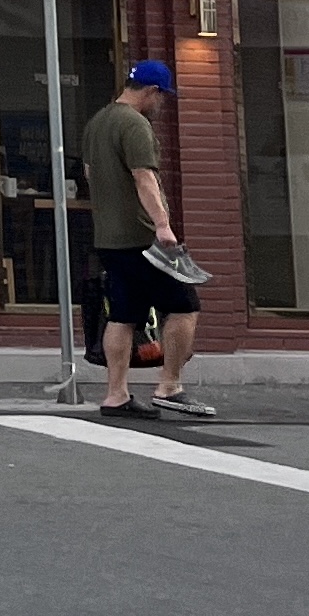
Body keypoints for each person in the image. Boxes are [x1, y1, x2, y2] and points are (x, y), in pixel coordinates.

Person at [81, 58, 215, 422]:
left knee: (123, 315)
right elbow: (144, 177)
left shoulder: (97, 122)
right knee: (184, 305)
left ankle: (116, 395)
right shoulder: (134, 124)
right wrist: (162, 225)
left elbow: (90, 173)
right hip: (143, 238)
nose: (161, 104)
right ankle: (169, 386)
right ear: (152, 92)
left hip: (109, 238)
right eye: (162, 97)